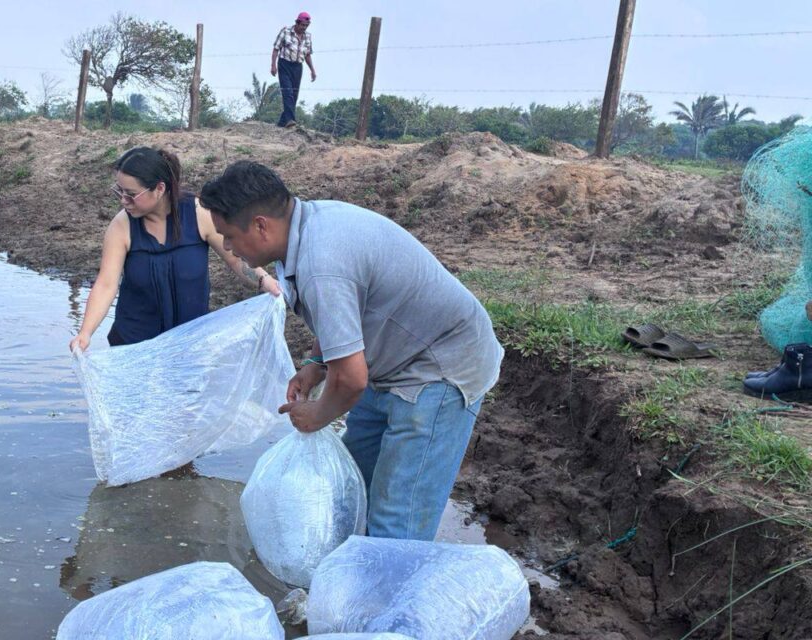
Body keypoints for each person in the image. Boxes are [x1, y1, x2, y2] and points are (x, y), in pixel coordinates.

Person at [199, 161, 504, 541]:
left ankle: (389, 575)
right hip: (390, 358)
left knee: (396, 523)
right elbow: (340, 316)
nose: (227, 247)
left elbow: (352, 380)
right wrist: (315, 363)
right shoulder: (303, 230)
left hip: (439, 368)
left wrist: (316, 415)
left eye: (229, 236)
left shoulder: (321, 261)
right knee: (352, 486)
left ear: (261, 225)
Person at [69, 147, 282, 352]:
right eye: (120, 192)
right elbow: (106, 284)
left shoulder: (198, 214)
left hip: (191, 345)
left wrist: (265, 281)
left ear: (159, 189)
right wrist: (85, 333)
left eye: (131, 194)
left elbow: (235, 259)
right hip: (135, 348)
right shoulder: (121, 226)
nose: (124, 201)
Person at [271, 11, 316, 128]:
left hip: (297, 67)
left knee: (294, 95)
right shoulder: (285, 32)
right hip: (284, 65)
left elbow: (307, 55)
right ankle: (291, 120)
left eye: (306, 26)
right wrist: (273, 65)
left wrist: (312, 70)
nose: (304, 27)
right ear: (297, 23)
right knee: (288, 93)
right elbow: (276, 49)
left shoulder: (308, 36)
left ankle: (282, 122)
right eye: (302, 25)